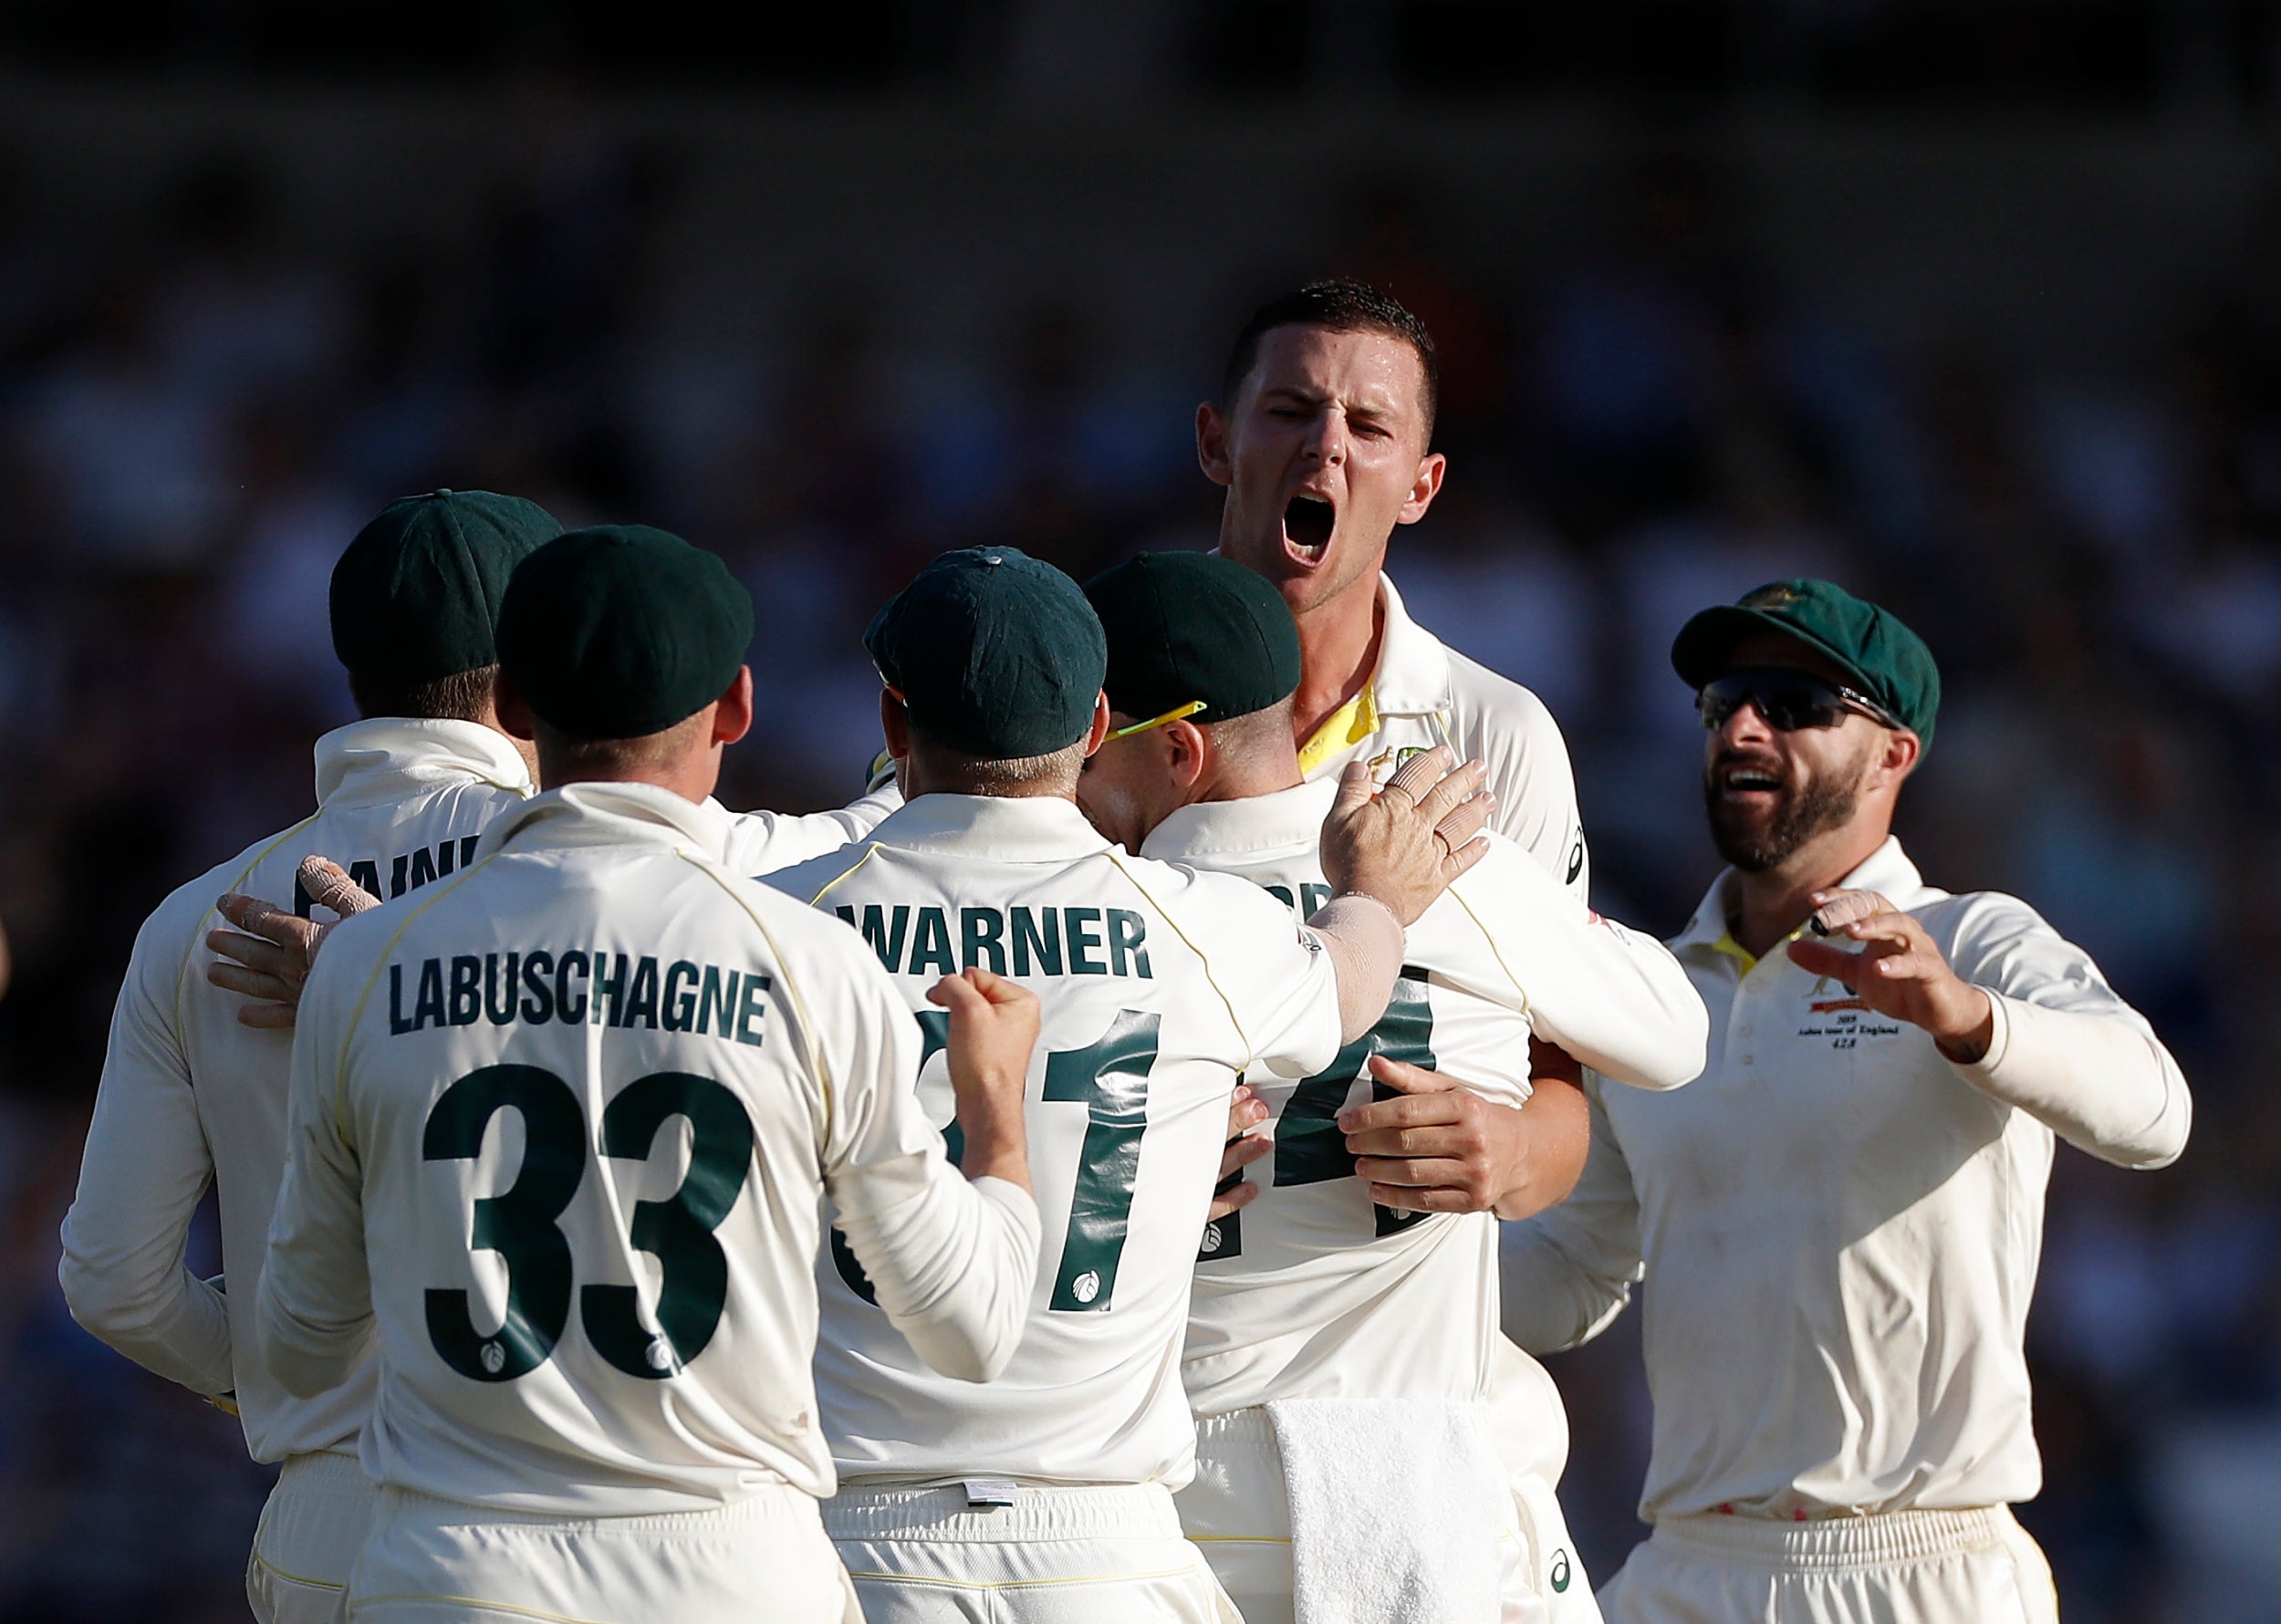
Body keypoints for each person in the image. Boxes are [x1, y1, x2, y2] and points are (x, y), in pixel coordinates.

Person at [255, 525, 1046, 1624]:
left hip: (455, 1570)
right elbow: (970, 1326)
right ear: (735, 706)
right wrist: (996, 1115)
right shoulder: (812, 959)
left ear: (517, 710)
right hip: (730, 1574)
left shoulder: (365, 963)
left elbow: (297, 1344)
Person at [762, 545, 1493, 1623]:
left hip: (849, 1541)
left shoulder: (767, 915)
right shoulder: (1200, 925)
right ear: (1099, 727)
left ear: (891, 726)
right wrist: (1373, 890)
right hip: (1105, 1553)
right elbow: (1347, 985)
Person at [1500, 579, 2193, 1624]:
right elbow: (1572, 1277)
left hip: (1922, 1569)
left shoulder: (1971, 938)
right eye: (1724, 699)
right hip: (1687, 1568)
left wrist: (1966, 1018)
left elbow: (2156, 1112)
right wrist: (1392, 1227)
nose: (1740, 725)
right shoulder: (1643, 989)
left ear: (1893, 751)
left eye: (1792, 704)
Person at [1077, 550, 1705, 1624]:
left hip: (1178, 1495)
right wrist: (1497, 895)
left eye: (1090, 739)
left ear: (1175, 750)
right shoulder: (1444, 859)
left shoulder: (1102, 910)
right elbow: (1674, 1036)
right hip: (1429, 1489)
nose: (1070, 771)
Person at [59, 488, 567, 1624]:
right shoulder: (606, 880)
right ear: (539, 667)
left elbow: (111, 1279)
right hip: (557, 1504)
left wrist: (286, 1371)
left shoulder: (195, 914)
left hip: (323, 1518)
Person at [1200, 277, 1599, 1219]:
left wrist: (1506, 1152)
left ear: (1422, 485)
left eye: (1368, 428)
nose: (1326, 444)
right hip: (1142, 1343)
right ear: (1216, 442)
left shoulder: (1496, 733)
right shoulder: (1090, 697)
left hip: (1393, 1356)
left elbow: (1561, 1088)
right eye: (1290, 409)